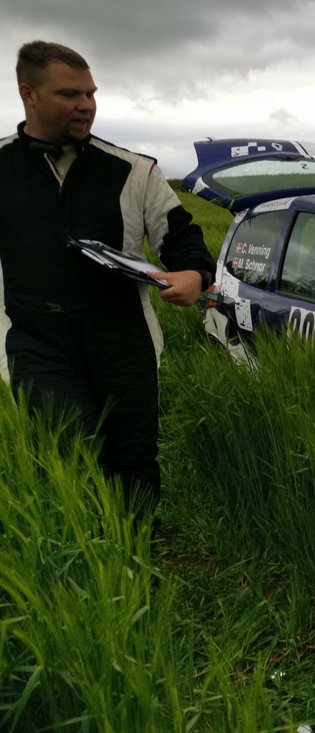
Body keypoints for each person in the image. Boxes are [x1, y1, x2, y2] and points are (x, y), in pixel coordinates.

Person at [0, 41, 215, 519]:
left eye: (91, 93)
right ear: (29, 94)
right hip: (37, 339)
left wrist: (193, 274)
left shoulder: (135, 170)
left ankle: (137, 546)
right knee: (65, 457)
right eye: (70, 94)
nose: (86, 105)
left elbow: (181, 237)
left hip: (123, 338)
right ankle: (85, 553)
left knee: (132, 458)